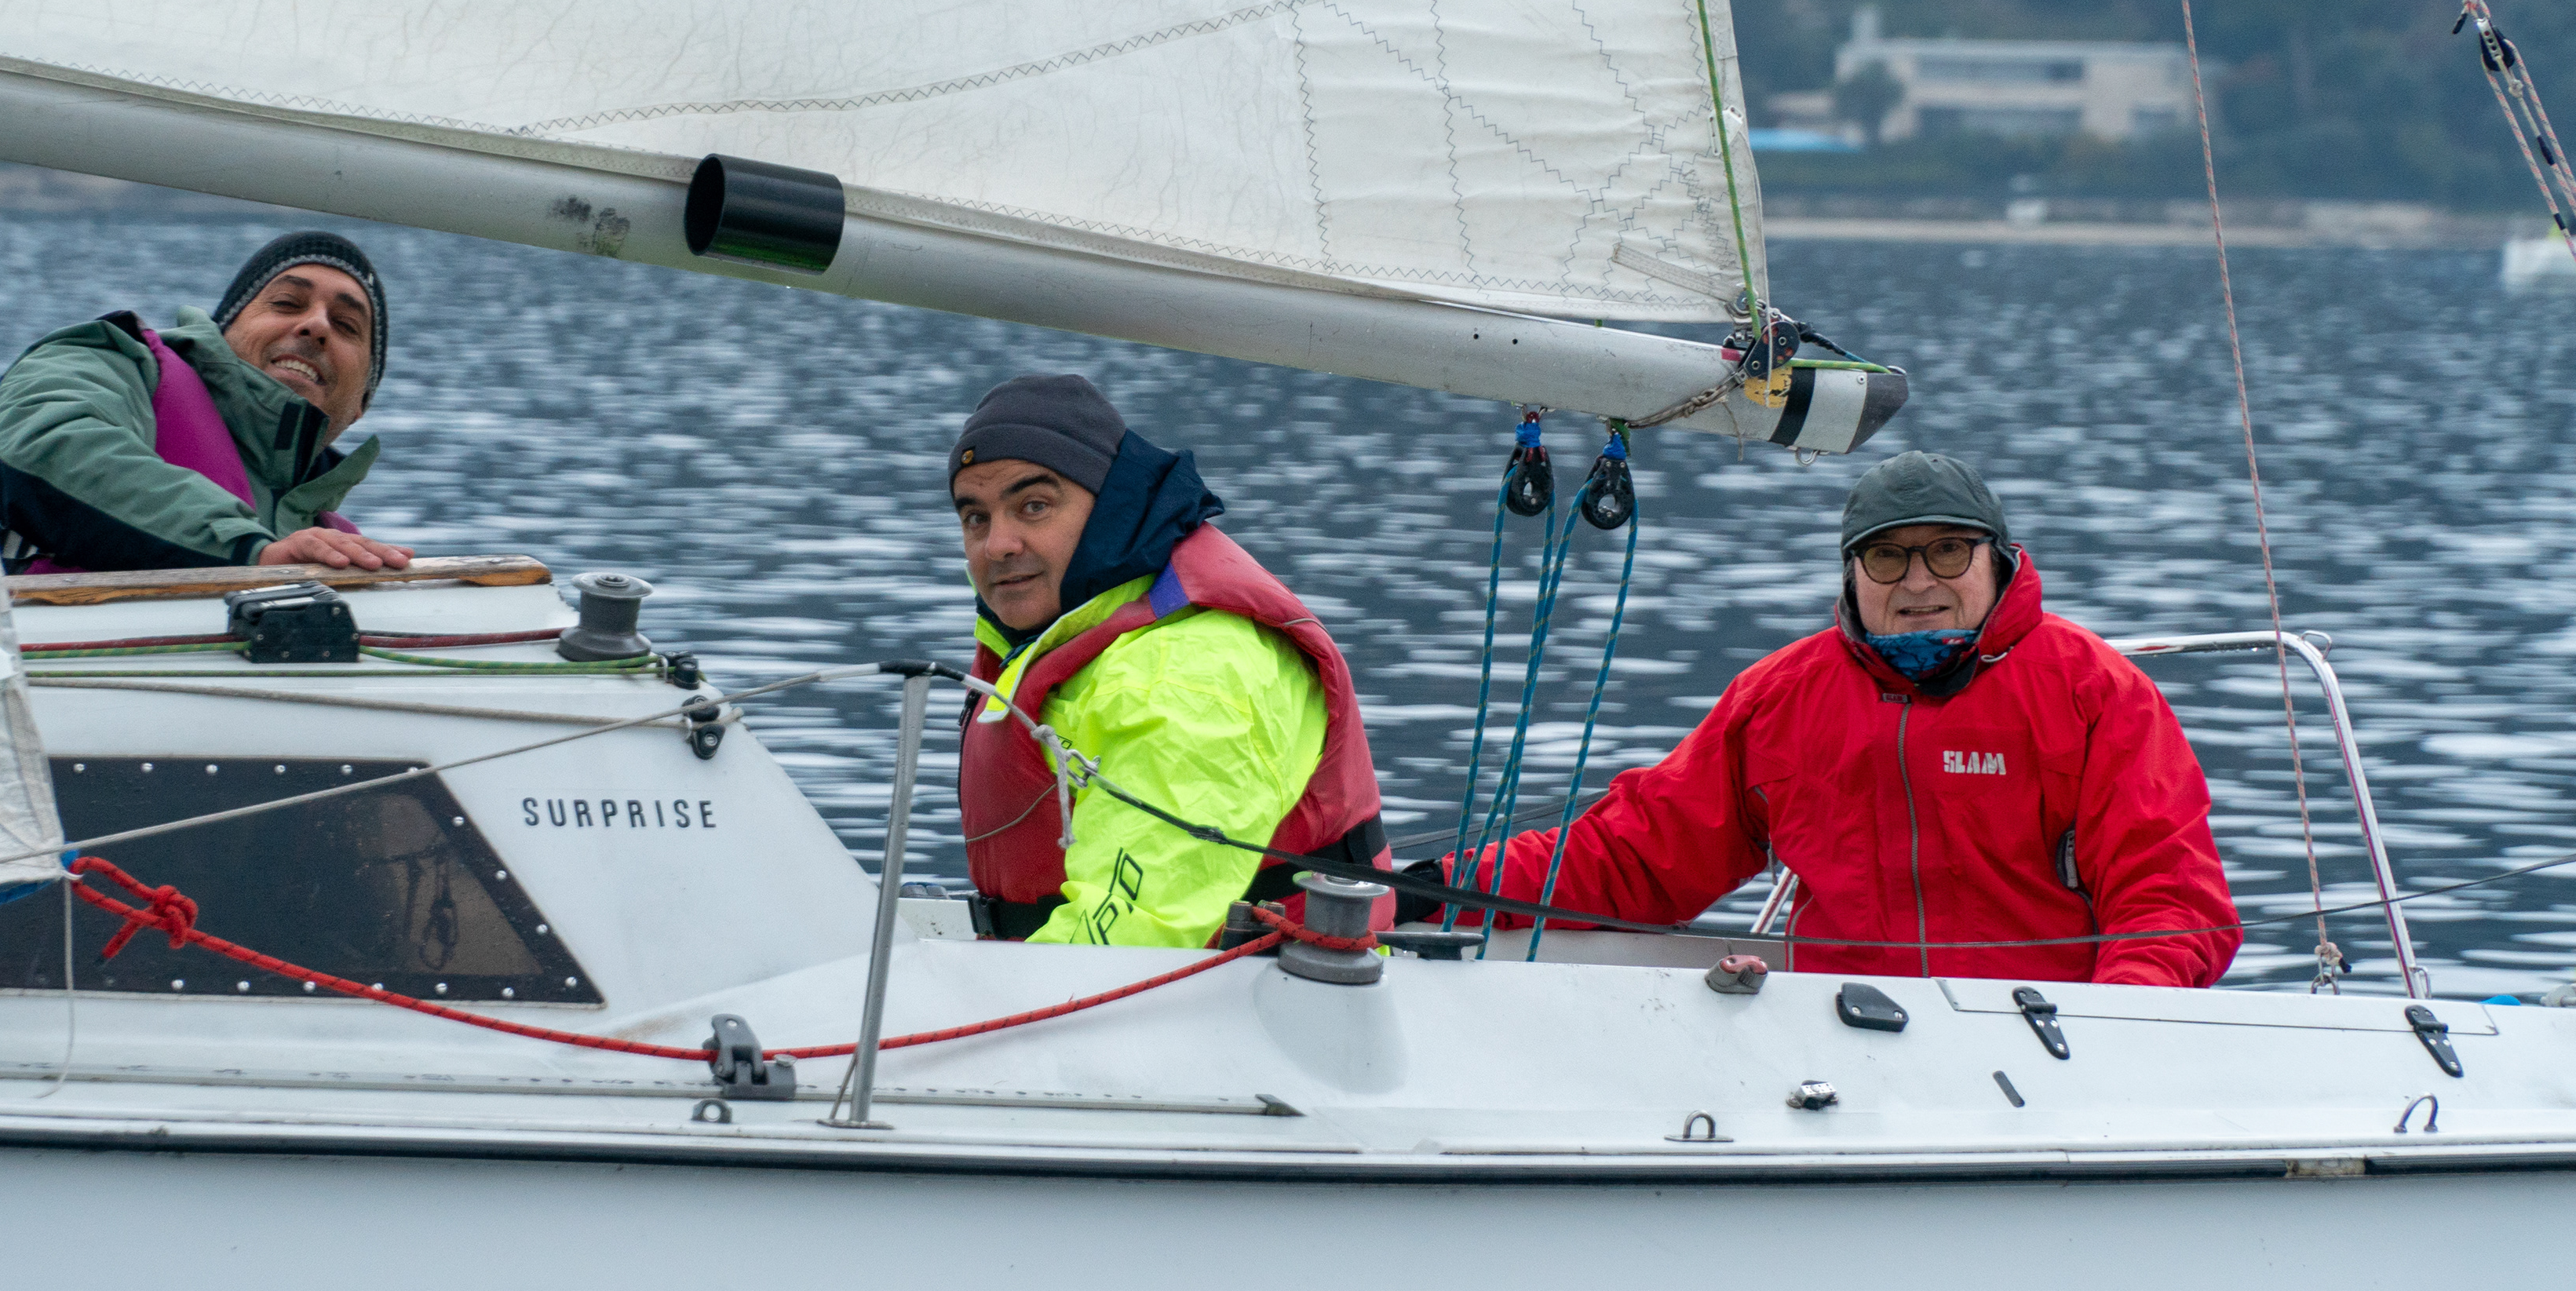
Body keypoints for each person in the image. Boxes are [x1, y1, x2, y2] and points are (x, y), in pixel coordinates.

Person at [1422, 451, 2236, 986]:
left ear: (1998, 559)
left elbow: (2171, 901)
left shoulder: (2097, 691)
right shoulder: (1781, 697)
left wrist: (2113, 1034)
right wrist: (1432, 889)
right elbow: (1634, 858)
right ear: (1852, 575)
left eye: (1948, 551)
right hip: (1840, 1042)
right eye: (1887, 556)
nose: (1918, 581)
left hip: (2044, 1041)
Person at [950, 374, 1392, 947]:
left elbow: (1134, 935)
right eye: (976, 518)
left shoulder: (1191, 678)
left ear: (1111, 507)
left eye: (1034, 507)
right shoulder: (1073, 628)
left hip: (1225, 997)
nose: (997, 545)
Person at [0, 230, 418, 574]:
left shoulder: (339, 552)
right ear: (223, 333)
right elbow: (37, 438)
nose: (317, 325)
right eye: (286, 303)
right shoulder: (114, 362)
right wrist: (249, 552)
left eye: (346, 325)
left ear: (361, 404)